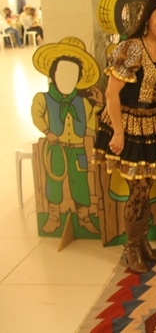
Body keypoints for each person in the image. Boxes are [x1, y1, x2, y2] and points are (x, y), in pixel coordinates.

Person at [93, 0, 156, 274]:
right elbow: (111, 93)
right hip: (129, 124)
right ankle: (131, 247)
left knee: (146, 187)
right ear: (147, 18)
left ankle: (141, 243)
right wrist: (118, 132)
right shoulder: (131, 47)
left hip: (153, 122)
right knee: (138, 190)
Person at [32, 38, 104, 236]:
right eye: (62, 73)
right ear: (53, 74)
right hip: (57, 147)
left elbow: (90, 125)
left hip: (78, 150)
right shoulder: (43, 98)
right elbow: (37, 115)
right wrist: (47, 132)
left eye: (72, 74)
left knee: (80, 182)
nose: (67, 78)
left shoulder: (82, 102)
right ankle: (53, 217)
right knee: (54, 181)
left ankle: (84, 218)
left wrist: (99, 105)